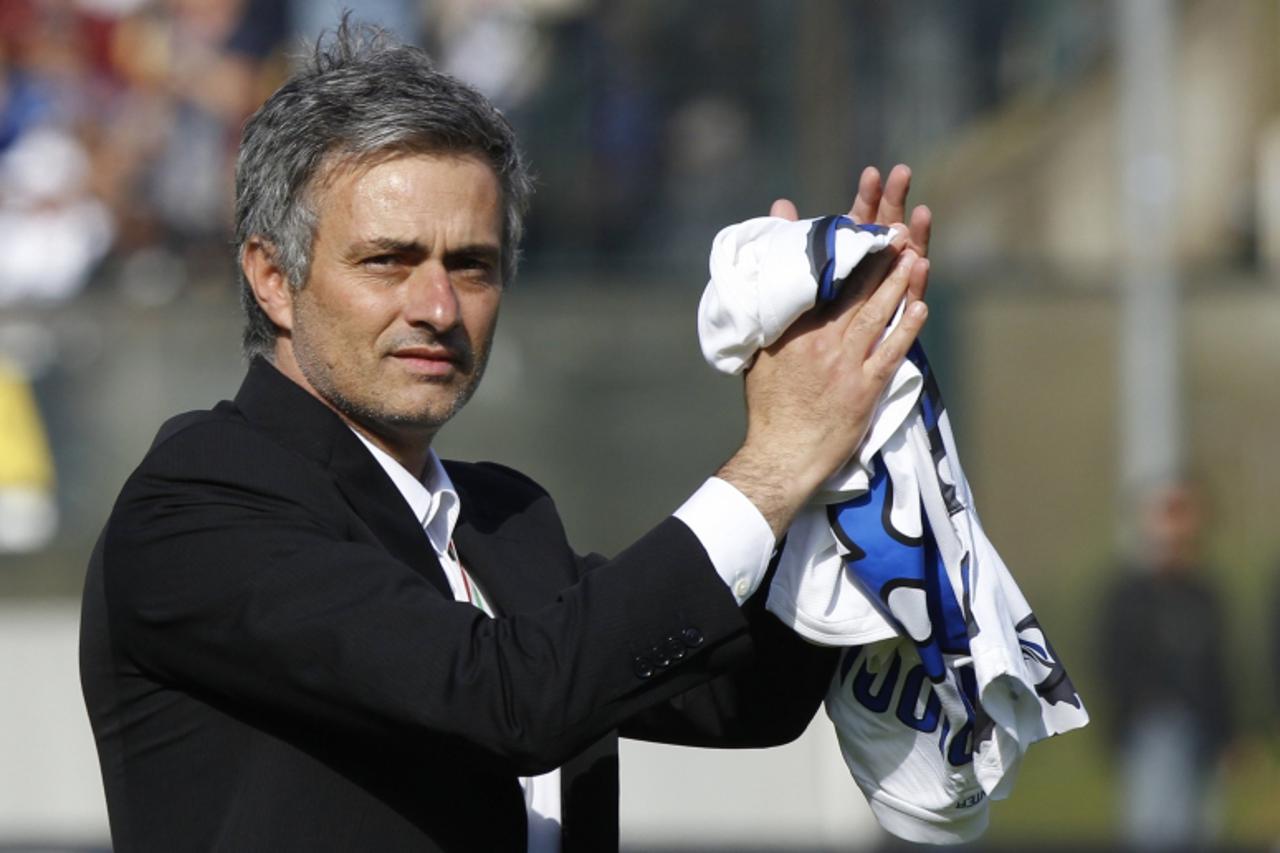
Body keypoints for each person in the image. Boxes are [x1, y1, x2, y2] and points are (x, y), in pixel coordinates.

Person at [79, 20, 932, 853]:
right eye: (388, 260)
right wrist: (776, 462)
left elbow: (746, 701)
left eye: (472, 264)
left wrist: (845, 434)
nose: (438, 307)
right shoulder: (196, 503)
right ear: (273, 277)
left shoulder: (504, 517)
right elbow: (510, 700)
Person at [1097, 479, 1233, 850]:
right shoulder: (1130, 596)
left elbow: (1220, 672)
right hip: (1150, 732)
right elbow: (1112, 664)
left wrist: (1229, 735)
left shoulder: (1205, 594)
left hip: (1205, 735)